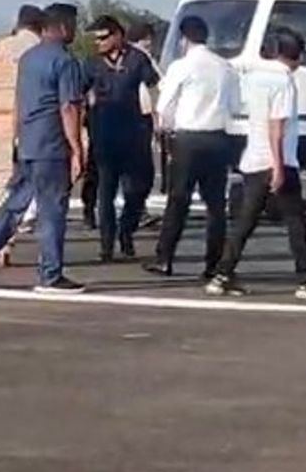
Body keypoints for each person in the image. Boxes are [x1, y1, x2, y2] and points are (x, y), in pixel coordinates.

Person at [206, 29, 306, 300]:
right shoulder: (284, 81)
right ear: (294, 55)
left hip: (254, 158)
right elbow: (276, 126)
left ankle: (222, 274)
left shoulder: (254, 78)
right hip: (278, 160)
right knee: (295, 222)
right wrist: (278, 167)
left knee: (245, 222)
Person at [0, 3, 86, 293]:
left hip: (29, 142)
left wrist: (19, 137)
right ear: (63, 27)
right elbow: (68, 107)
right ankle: (50, 274)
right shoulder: (65, 61)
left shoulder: (28, 59)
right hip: (52, 144)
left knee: (14, 204)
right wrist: (77, 147)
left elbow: (19, 102)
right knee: (52, 209)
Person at [143, 15, 238, 278]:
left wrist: (167, 128)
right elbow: (234, 105)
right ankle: (213, 263)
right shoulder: (226, 67)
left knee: (178, 200)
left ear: (184, 39)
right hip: (218, 138)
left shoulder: (181, 66)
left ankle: (165, 258)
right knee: (216, 205)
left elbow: (165, 105)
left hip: (188, 139)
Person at [82, 15, 160, 261]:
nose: (99, 42)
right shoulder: (92, 63)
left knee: (139, 188)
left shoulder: (137, 59)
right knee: (106, 192)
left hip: (134, 133)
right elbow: (79, 93)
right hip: (103, 134)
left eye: (104, 37)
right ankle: (106, 245)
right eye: (96, 39)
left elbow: (153, 86)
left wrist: (157, 120)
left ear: (118, 36)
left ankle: (127, 228)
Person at [0, 4, 45, 264]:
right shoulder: (43, 49)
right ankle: (30, 222)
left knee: (2, 178)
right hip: (34, 119)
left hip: (2, 118)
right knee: (35, 176)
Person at [126, 20, 161, 227]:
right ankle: (138, 210)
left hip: (131, 115)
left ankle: (138, 209)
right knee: (141, 167)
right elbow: (154, 87)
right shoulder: (142, 58)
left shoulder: (126, 56)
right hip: (142, 114)